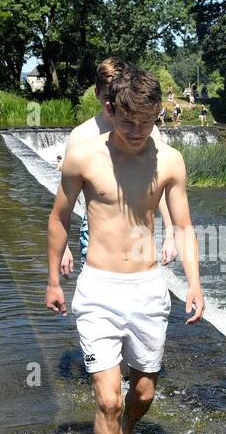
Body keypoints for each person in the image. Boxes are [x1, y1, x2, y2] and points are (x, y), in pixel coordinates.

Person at [45, 68, 205, 434]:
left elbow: (183, 227)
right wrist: (53, 280)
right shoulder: (83, 157)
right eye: (128, 121)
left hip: (149, 288)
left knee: (143, 392)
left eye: (148, 122)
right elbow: (58, 220)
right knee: (109, 399)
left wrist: (193, 283)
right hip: (97, 290)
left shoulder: (170, 161)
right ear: (110, 109)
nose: (138, 132)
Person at [57, 58, 177, 278]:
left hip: (140, 229)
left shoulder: (149, 134)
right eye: (106, 98)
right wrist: (62, 248)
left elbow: (160, 186)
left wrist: (170, 233)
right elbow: (64, 199)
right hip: (96, 230)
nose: (110, 106)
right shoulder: (81, 137)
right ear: (97, 93)